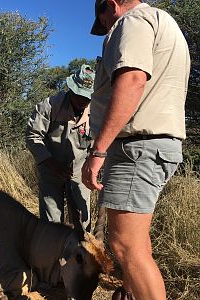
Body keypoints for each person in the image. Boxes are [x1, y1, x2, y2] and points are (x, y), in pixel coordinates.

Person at [82, 1, 190, 300]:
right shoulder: (164, 22)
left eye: (102, 21)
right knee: (136, 243)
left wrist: (98, 151)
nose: (105, 28)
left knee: (124, 246)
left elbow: (132, 79)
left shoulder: (132, 22)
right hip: (154, 145)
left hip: (136, 147)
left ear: (110, 6)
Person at [26, 65, 95, 235]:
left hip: (79, 170)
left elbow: (99, 144)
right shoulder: (49, 106)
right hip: (50, 167)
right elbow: (32, 136)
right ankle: (52, 257)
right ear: (71, 88)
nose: (82, 101)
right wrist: (50, 163)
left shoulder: (97, 112)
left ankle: (82, 256)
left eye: (86, 97)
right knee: (51, 221)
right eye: (78, 95)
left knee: (82, 219)